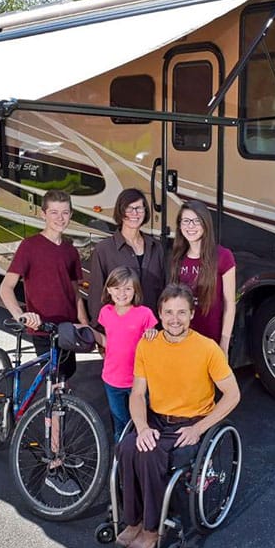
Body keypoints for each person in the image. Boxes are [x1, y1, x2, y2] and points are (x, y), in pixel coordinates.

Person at [115, 283, 240, 548]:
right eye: (169, 312)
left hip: (190, 422)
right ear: (159, 313)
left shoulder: (207, 349)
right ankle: (133, 520)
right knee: (126, 447)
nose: (175, 319)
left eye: (181, 312)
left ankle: (151, 530)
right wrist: (143, 427)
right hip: (157, 419)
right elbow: (137, 394)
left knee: (149, 455)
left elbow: (233, 395)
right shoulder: (148, 346)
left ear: (192, 314)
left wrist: (199, 428)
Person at [0, 189, 89, 497]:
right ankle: (54, 462)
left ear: (71, 215)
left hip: (65, 330)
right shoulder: (30, 247)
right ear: (43, 214)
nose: (60, 218)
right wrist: (22, 315)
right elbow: (6, 288)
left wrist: (84, 324)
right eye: (54, 213)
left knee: (63, 388)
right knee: (55, 391)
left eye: (65, 213)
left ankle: (57, 442)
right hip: (42, 331)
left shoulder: (70, 251)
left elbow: (75, 293)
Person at [95, 267, 158, 443]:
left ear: (135, 290)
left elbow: (151, 340)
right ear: (108, 290)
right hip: (112, 380)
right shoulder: (105, 312)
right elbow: (108, 339)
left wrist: (152, 335)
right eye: (116, 288)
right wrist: (87, 332)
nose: (121, 293)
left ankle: (140, 456)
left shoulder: (144, 314)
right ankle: (121, 461)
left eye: (128, 288)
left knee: (141, 423)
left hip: (138, 382)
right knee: (120, 424)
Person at [88, 188, 166, 324]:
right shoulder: (103, 250)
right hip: (119, 330)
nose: (134, 213)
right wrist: (100, 332)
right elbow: (97, 297)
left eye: (139, 208)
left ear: (145, 211)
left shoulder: (156, 247)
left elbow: (164, 289)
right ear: (120, 211)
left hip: (152, 330)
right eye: (129, 209)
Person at [168, 200, 236, 355]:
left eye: (196, 221)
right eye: (185, 221)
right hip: (182, 338)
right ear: (179, 225)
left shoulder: (223, 256)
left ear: (205, 224)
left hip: (211, 341)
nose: (190, 226)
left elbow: (229, 305)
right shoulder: (177, 257)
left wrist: (224, 344)